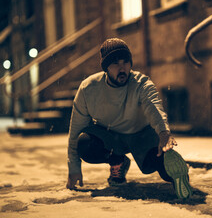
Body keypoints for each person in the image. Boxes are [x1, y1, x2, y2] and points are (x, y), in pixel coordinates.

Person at [66, 38, 192, 199]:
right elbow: (75, 130)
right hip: (111, 139)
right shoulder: (88, 89)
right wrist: (74, 168)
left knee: (162, 165)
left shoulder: (141, 83)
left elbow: (154, 107)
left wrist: (163, 133)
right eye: (116, 64)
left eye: (126, 62)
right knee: (84, 143)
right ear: (106, 68)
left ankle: (178, 177)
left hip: (142, 137)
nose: (122, 68)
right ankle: (118, 161)